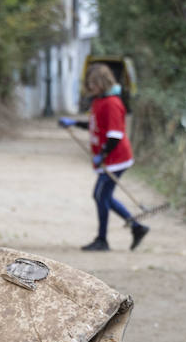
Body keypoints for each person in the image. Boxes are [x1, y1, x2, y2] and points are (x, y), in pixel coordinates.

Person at [59, 63, 148, 251]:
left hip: (116, 158)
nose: (90, 87)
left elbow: (114, 136)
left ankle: (103, 240)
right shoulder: (99, 101)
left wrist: (103, 155)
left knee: (100, 196)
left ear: (102, 82)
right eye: (89, 83)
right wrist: (74, 123)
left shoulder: (113, 103)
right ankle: (136, 227)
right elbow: (95, 125)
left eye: (93, 83)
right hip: (108, 157)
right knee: (103, 196)